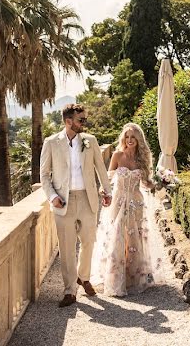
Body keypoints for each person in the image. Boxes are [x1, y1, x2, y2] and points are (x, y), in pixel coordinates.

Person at [40, 103, 112, 307]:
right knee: (67, 247)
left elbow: (100, 168)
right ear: (68, 121)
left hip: (88, 198)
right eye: (81, 120)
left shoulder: (90, 141)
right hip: (63, 201)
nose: (84, 123)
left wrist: (107, 191)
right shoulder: (51, 142)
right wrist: (52, 196)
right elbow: (44, 175)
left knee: (89, 241)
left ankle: (84, 276)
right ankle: (70, 290)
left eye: (85, 119)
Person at [93, 122, 164, 297]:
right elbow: (107, 180)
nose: (130, 140)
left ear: (139, 139)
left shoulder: (143, 158)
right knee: (117, 236)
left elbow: (147, 183)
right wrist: (103, 191)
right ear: (123, 138)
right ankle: (116, 277)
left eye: (133, 137)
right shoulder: (117, 156)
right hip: (118, 202)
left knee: (134, 239)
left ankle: (133, 277)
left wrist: (163, 182)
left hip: (136, 202)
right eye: (127, 136)